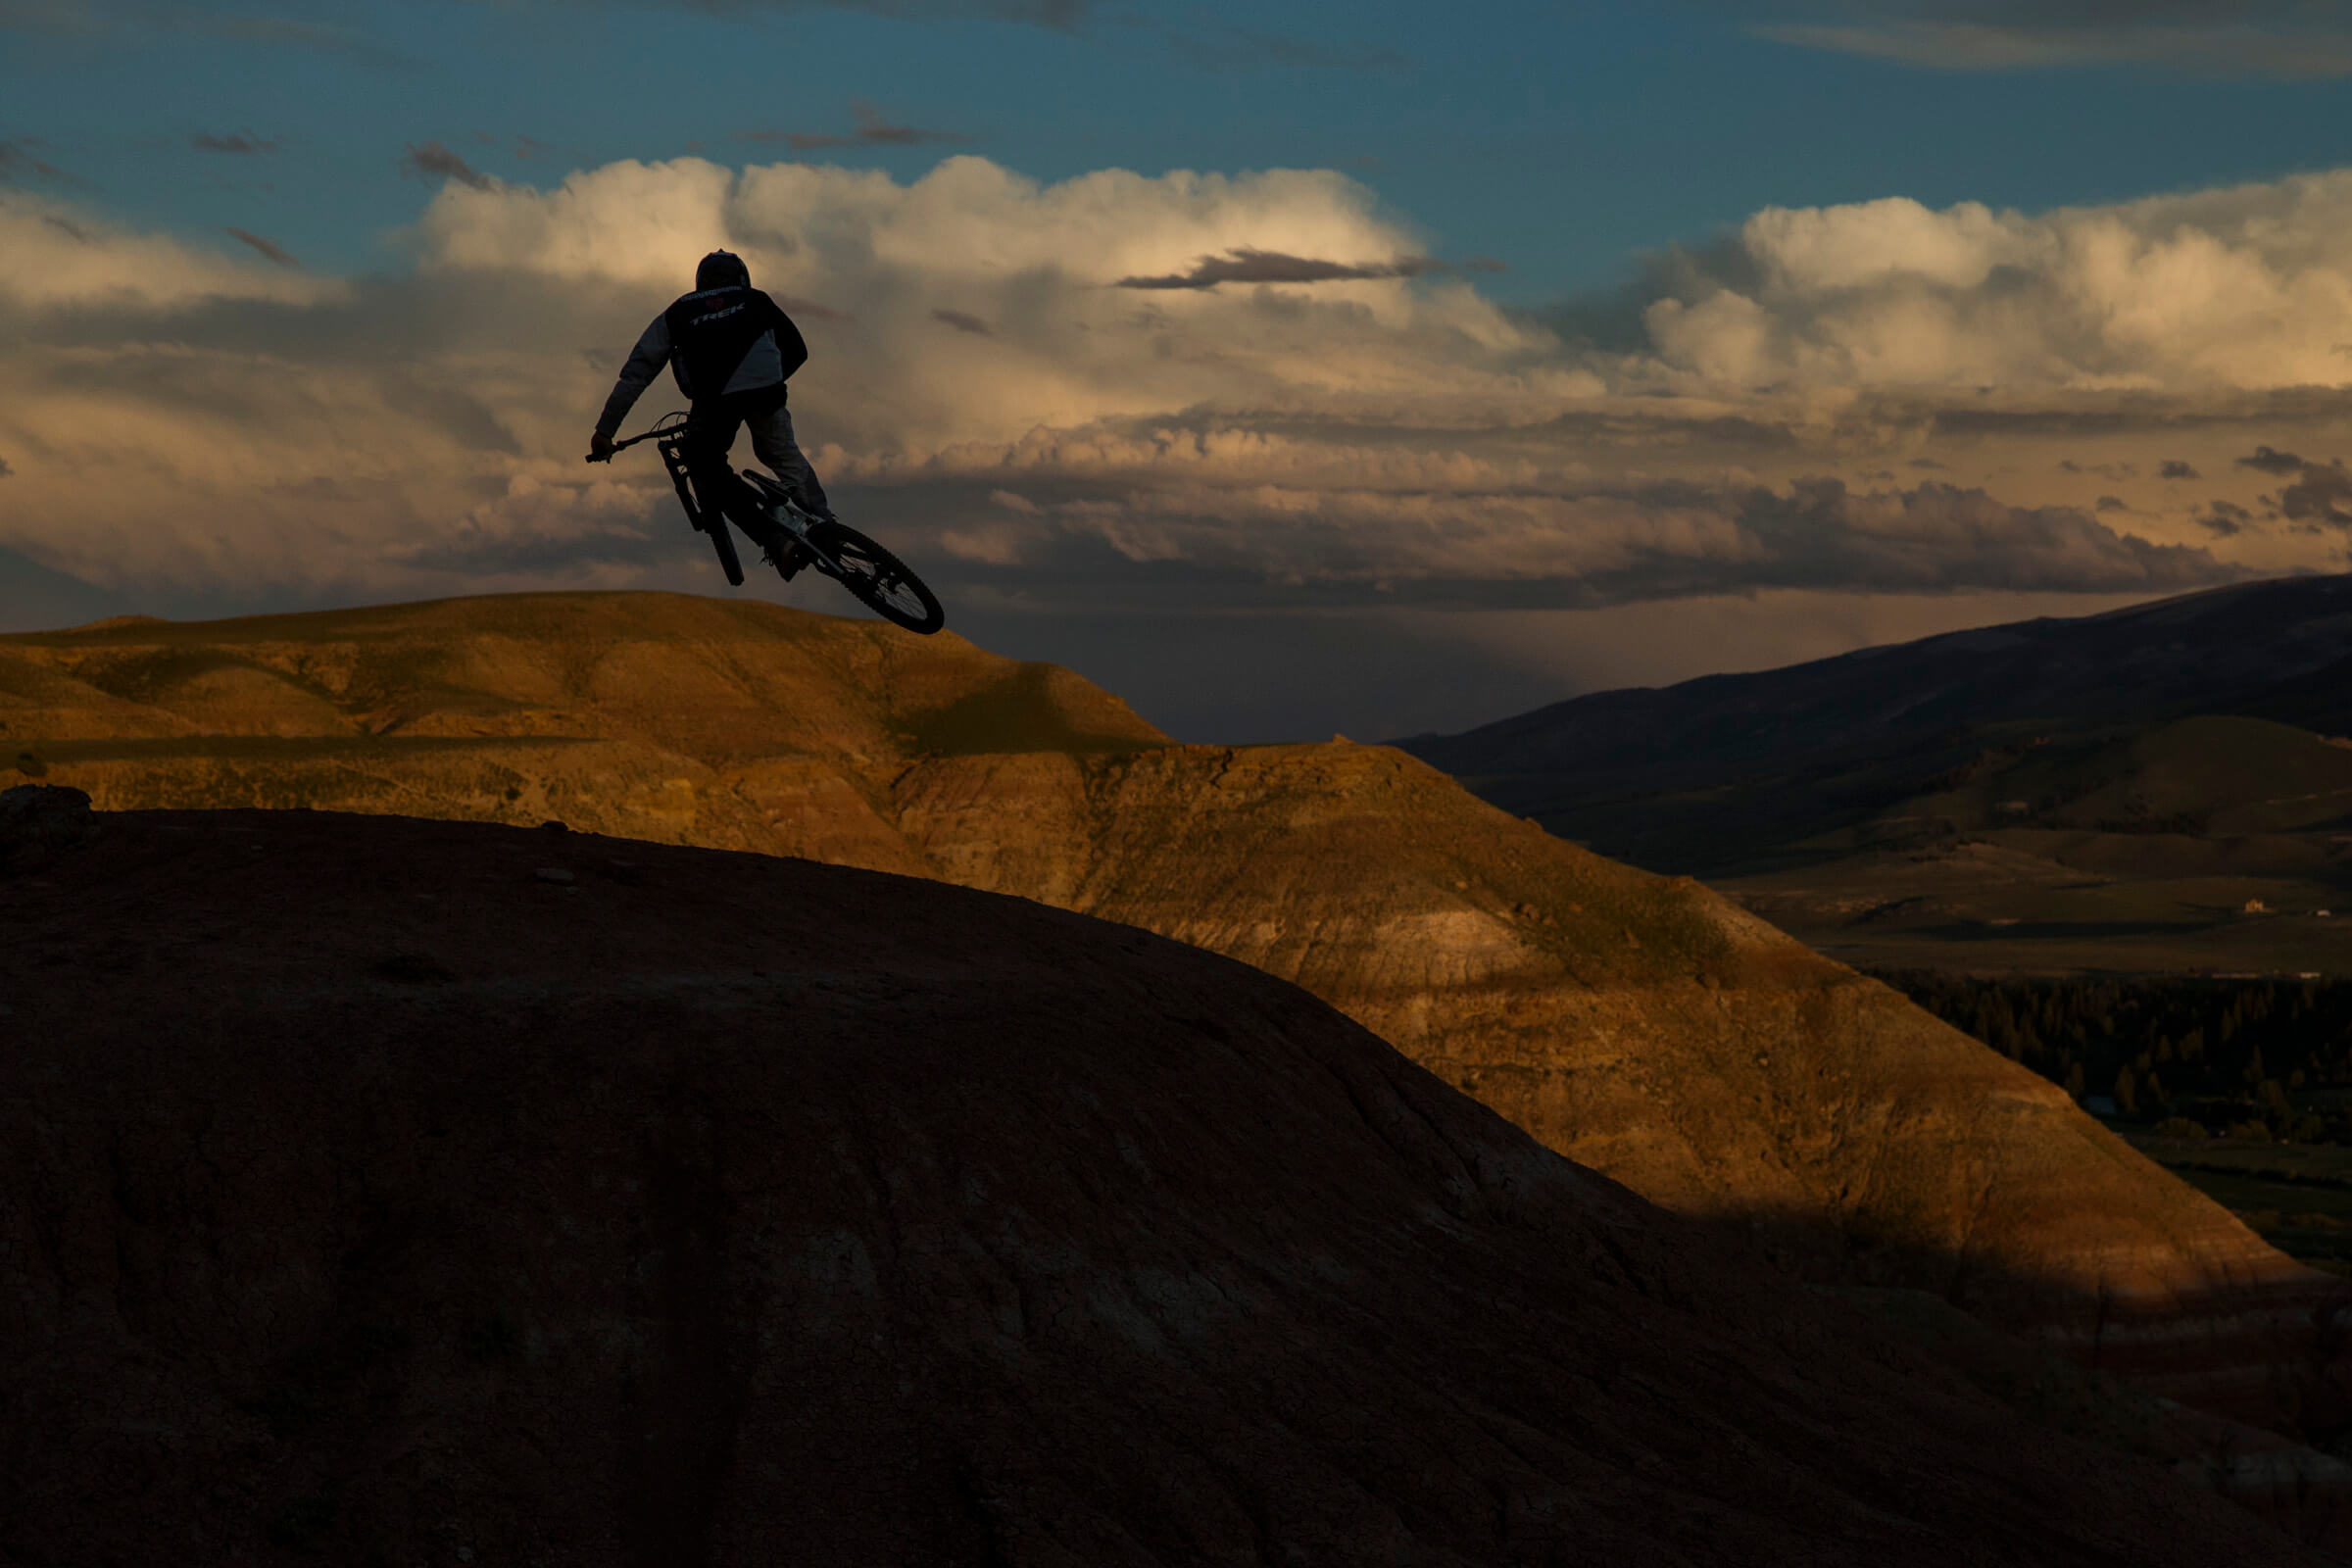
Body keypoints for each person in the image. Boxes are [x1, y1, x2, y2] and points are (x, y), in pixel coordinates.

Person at [585, 250, 834, 563]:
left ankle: (773, 538)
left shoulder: (679, 311)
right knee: (781, 453)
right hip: (766, 390)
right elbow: (797, 349)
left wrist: (605, 431)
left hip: (714, 399)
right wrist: (766, 381)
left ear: (700, 282)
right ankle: (828, 527)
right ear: (742, 278)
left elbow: (637, 373)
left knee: (703, 462)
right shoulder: (756, 298)